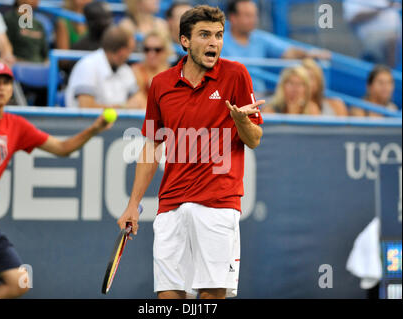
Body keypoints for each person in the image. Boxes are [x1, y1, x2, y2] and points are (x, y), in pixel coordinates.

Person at [117, 5, 264, 299]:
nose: (214, 43)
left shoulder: (236, 75)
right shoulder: (160, 84)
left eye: (219, 35)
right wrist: (133, 203)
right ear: (184, 40)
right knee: (168, 297)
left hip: (217, 205)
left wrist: (241, 121)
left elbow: (254, 139)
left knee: (210, 298)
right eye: (205, 35)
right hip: (170, 206)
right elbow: (151, 147)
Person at [0, 62, 113, 299]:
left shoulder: (15, 125)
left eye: (6, 82)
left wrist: (94, 129)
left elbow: (61, 148)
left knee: (19, 281)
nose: (1, 87)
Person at [222, 0, 331, 94]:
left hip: (258, 98)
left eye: (255, 15)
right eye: (247, 16)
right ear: (233, 18)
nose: (253, 20)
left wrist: (310, 53)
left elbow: (288, 51)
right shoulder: (218, 40)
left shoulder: (259, 38)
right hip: (228, 98)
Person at [65, 25, 144, 109]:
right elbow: (86, 107)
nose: (129, 56)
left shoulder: (125, 70)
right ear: (121, 51)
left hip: (118, 121)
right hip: (85, 122)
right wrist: (123, 107)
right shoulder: (88, 66)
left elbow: (140, 102)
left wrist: (151, 122)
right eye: (129, 50)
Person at [343, 0, 402, 67]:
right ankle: (390, 72)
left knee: (394, 40)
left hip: (396, 33)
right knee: (392, 40)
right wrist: (380, 9)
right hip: (371, 36)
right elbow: (352, 18)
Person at [131, 31, 172, 109]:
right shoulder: (136, 71)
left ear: (166, 51)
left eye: (157, 50)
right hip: (146, 118)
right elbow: (138, 101)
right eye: (147, 49)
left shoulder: (175, 73)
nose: (151, 54)